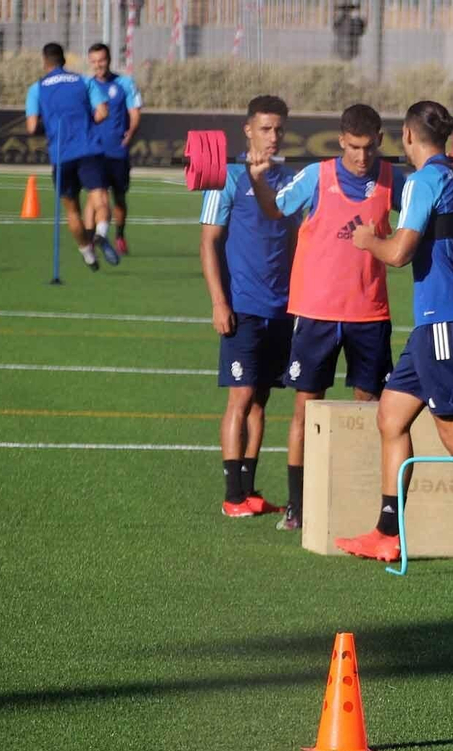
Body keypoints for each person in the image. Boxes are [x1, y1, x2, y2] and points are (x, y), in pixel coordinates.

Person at [331, 100, 453, 567]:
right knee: (390, 418)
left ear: (407, 137)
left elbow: (398, 253)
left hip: (443, 323)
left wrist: (368, 240)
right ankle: (386, 534)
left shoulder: (423, 182)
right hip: (439, 325)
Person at [249, 103, 406, 531]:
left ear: (380, 143)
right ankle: (297, 506)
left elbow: (430, 200)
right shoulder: (317, 177)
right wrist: (258, 178)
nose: (361, 157)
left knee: (371, 411)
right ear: (341, 141)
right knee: (306, 411)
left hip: (369, 314)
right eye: (354, 147)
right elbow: (275, 210)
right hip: (317, 313)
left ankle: (361, 497)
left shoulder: (394, 179)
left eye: (369, 148)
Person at [199, 95, 298, 518]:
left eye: (278, 129)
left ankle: (250, 490)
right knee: (240, 398)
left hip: (282, 309)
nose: (272, 137)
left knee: (261, 401)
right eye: (265, 129)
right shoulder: (226, 177)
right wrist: (220, 302)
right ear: (248, 130)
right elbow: (208, 242)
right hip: (241, 306)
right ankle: (232, 496)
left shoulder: (291, 178)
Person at [24, 42, 117, 271]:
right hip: (88, 149)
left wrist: (54, 128)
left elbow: (31, 126)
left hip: (61, 154)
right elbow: (103, 112)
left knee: (72, 209)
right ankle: (101, 233)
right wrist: (86, 123)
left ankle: (88, 254)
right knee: (100, 198)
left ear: (45, 62)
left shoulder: (37, 88)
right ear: (64, 61)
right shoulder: (84, 81)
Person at [84, 43, 141, 255]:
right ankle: (90, 241)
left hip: (117, 151)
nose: (98, 65)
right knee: (94, 196)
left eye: (102, 60)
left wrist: (131, 133)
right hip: (93, 151)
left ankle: (119, 235)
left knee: (119, 198)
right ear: (90, 62)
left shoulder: (125, 83)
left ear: (108, 60)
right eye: (94, 61)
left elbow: (135, 113)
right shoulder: (86, 86)